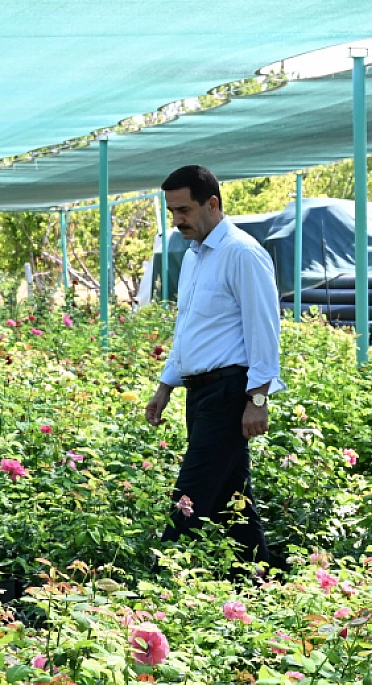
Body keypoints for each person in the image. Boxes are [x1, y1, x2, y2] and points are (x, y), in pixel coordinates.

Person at [144, 165, 283, 566]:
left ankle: (156, 585)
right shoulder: (193, 256)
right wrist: (166, 385)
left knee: (189, 498)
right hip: (200, 391)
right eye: (172, 212)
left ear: (213, 204)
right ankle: (262, 583)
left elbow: (263, 326)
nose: (177, 221)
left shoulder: (241, 252)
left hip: (228, 392)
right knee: (232, 503)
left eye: (184, 210)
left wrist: (258, 397)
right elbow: (188, 327)